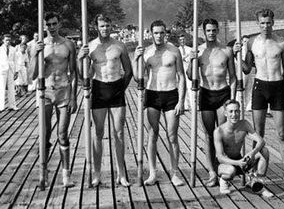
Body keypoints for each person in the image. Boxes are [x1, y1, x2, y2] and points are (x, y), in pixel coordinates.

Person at [234, 8, 284, 188]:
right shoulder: (252, 43)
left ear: (273, 22)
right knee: (258, 134)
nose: (265, 26)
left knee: (282, 134)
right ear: (258, 24)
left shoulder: (282, 43)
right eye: (262, 23)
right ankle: (255, 172)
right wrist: (237, 55)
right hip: (260, 87)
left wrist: (280, 87)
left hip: (277, 87)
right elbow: (247, 69)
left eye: (268, 22)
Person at [78, 14, 133, 187]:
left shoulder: (119, 45)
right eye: (102, 26)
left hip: (116, 88)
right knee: (98, 133)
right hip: (99, 89)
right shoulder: (91, 47)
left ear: (111, 26)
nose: (105, 29)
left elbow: (129, 70)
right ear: (97, 27)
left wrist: (120, 88)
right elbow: (83, 76)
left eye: (108, 25)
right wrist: (80, 58)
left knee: (119, 133)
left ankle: (121, 174)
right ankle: (97, 174)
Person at [133, 20, 186, 186]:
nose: (159, 36)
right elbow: (137, 78)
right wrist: (136, 59)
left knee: (172, 135)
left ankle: (174, 172)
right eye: (156, 33)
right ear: (151, 34)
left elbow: (182, 77)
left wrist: (181, 101)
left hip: (171, 94)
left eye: (162, 32)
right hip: (152, 94)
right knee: (152, 135)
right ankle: (153, 172)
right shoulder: (147, 53)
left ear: (166, 33)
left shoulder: (174, 51)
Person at [29, 12, 77, 187]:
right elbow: (32, 75)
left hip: (64, 91)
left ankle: (66, 174)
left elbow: (73, 74)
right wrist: (36, 54)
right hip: (47, 92)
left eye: (54, 23)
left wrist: (73, 97)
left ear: (60, 23)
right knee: (45, 134)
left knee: (63, 134)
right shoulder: (39, 46)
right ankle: (44, 172)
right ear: (44, 26)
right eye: (48, 24)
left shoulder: (69, 44)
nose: (51, 27)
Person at [187, 18, 236, 187]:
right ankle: (212, 172)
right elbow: (189, 75)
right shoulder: (199, 51)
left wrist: (232, 99)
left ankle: (224, 171)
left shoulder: (226, 51)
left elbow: (234, 77)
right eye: (208, 30)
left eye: (214, 30)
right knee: (209, 136)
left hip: (223, 94)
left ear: (218, 30)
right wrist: (192, 60)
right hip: (206, 93)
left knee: (221, 135)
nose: (211, 33)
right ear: (203, 32)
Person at [214, 99, 274, 197]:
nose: (234, 114)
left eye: (237, 111)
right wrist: (238, 163)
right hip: (224, 164)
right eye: (231, 111)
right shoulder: (219, 131)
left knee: (264, 151)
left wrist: (253, 153)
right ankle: (223, 181)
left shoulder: (244, 124)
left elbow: (261, 141)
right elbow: (220, 157)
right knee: (230, 171)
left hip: (240, 159)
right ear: (225, 113)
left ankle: (257, 183)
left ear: (240, 112)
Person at [0, 34, 18, 111]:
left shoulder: (13, 49)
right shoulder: (0, 49)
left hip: (11, 69)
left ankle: (12, 105)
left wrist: (16, 71)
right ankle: (1, 106)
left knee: (11, 88)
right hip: (2, 69)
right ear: (3, 40)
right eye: (6, 40)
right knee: (1, 87)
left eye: (9, 40)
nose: (8, 41)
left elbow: (15, 60)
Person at [178, 34, 192, 110]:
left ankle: (192, 105)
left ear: (185, 40)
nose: (182, 41)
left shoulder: (190, 49)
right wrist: (183, 57)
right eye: (180, 40)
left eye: (183, 39)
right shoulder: (177, 50)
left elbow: (190, 60)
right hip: (180, 71)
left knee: (190, 87)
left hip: (188, 71)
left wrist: (185, 58)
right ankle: (185, 106)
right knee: (183, 87)